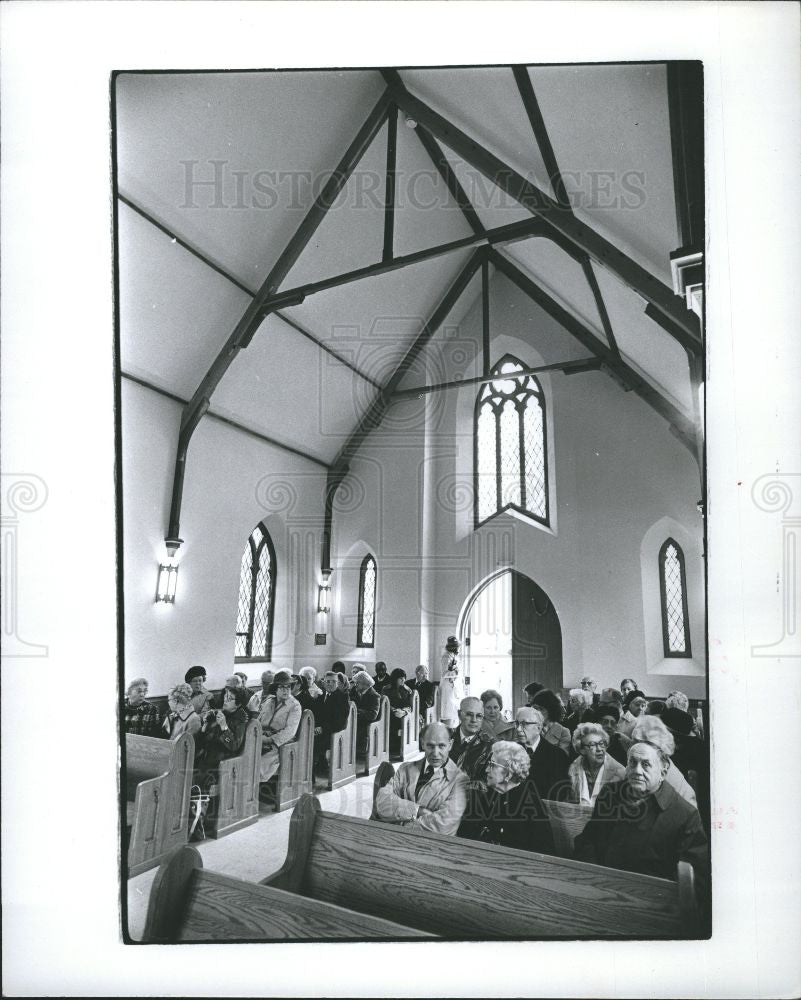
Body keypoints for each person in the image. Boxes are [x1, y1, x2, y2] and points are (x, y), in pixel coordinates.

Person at [574, 738, 709, 906]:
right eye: (632, 762)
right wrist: (592, 878)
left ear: (663, 770)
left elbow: (693, 882)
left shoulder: (685, 815)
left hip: (649, 905)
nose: (637, 770)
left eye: (646, 764)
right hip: (599, 891)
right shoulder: (610, 793)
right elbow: (588, 839)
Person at [458, 740, 555, 855]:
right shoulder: (488, 796)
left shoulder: (531, 806)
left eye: (492, 765)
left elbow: (543, 854)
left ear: (509, 772)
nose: (486, 770)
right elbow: (463, 835)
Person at [375, 722, 469, 835]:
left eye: (441, 746)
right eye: (430, 745)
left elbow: (444, 826)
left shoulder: (460, 780)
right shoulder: (405, 769)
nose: (435, 753)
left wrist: (399, 825)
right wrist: (418, 810)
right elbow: (381, 803)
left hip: (431, 848)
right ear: (422, 743)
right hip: (395, 842)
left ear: (450, 745)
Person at [193, 682, 250, 795]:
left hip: (222, 761)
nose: (225, 699)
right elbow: (202, 741)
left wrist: (224, 726)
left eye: (230, 698)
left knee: (198, 777)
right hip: (206, 756)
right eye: (225, 696)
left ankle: (197, 808)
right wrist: (204, 725)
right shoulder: (219, 713)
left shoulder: (240, 720)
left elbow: (234, 746)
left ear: (238, 704)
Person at [628, 715, 697, 806]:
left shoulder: (675, 787)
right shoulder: (647, 764)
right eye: (632, 741)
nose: (630, 746)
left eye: (635, 742)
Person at [513, 706, 569, 801]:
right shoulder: (511, 751)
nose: (518, 729)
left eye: (524, 724)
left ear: (539, 728)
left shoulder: (557, 755)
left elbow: (559, 794)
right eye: (517, 723)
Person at [257, 670, 302, 783]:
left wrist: (269, 739)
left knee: (258, 765)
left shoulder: (295, 706)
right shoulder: (269, 701)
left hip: (281, 745)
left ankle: (251, 792)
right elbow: (259, 721)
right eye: (282, 687)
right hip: (262, 738)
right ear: (275, 689)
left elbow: (290, 732)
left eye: (288, 687)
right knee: (245, 756)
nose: (285, 690)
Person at [567, 722, 625, 806]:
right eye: (592, 745)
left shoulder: (620, 773)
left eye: (602, 744)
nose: (599, 749)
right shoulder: (572, 769)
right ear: (582, 749)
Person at [314, 670, 350, 773]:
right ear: (324, 682)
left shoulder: (342, 697)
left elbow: (340, 722)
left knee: (317, 741)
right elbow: (317, 715)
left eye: (334, 682)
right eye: (328, 681)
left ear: (337, 683)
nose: (330, 684)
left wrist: (322, 728)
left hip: (333, 731)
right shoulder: (321, 696)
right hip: (319, 730)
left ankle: (319, 766)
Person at [448, 697, 493, 780]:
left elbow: (488, 783)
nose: (474, 720)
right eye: (469, 715)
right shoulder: (446, 738)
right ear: (459, 714)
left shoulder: (490, 746)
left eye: (479, 716)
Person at [530, 689, 572, 754]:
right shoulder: (527, 729)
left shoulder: (563, 732)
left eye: (541, 709)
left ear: (551, 711)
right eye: (535, 708)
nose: (536, 712)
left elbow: (561, 759)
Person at [350, 670, 381, 755]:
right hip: (355, 721)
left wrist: (357, 712)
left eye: (357, 683)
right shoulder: (354, 691)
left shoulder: (374, 696)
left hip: (365, 724)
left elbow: (373, 715)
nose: (355, 685)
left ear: (365, 684)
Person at [386, 667, 413, 757]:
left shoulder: (407, 690)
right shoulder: (386, 689)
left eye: (404, 678)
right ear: (395, 679)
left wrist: (404, 712)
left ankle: (402, 748)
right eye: (400, 678)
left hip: (403, 715)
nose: (403, 680)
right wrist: (394, 711)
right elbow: (385, 703)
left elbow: (410, 706)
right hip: (390, 714)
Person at [438, 636, 464, 727]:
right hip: (447, 687)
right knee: (448, 710)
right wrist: (455, 672)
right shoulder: (446, 656)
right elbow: (444, 673)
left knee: (454, 710)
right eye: (457, 646)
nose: (458, 648)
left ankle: (453, 730)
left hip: (453, 686)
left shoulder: (454, 656)